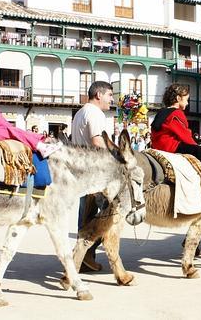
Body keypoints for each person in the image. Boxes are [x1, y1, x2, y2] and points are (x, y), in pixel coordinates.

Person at [72, 81, 115, 273]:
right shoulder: (95, 113)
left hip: (82, 172)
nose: (111, 99)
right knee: (109, 213)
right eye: (109, 95)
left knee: (86, 215)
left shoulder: (80, 112)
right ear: (99, 94)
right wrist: (117, 156)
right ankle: (87, 253)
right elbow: (97, 141)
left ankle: (82, 258)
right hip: (95, 172)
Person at [151, 83, 201, 185]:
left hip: (158, 146)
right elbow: (183, 134)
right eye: (186, 100)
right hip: (170, 146)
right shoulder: (176, 113)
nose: (187, 103)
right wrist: (195, 145)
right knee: (200, 150)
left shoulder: (161, 113)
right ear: (178, 98)